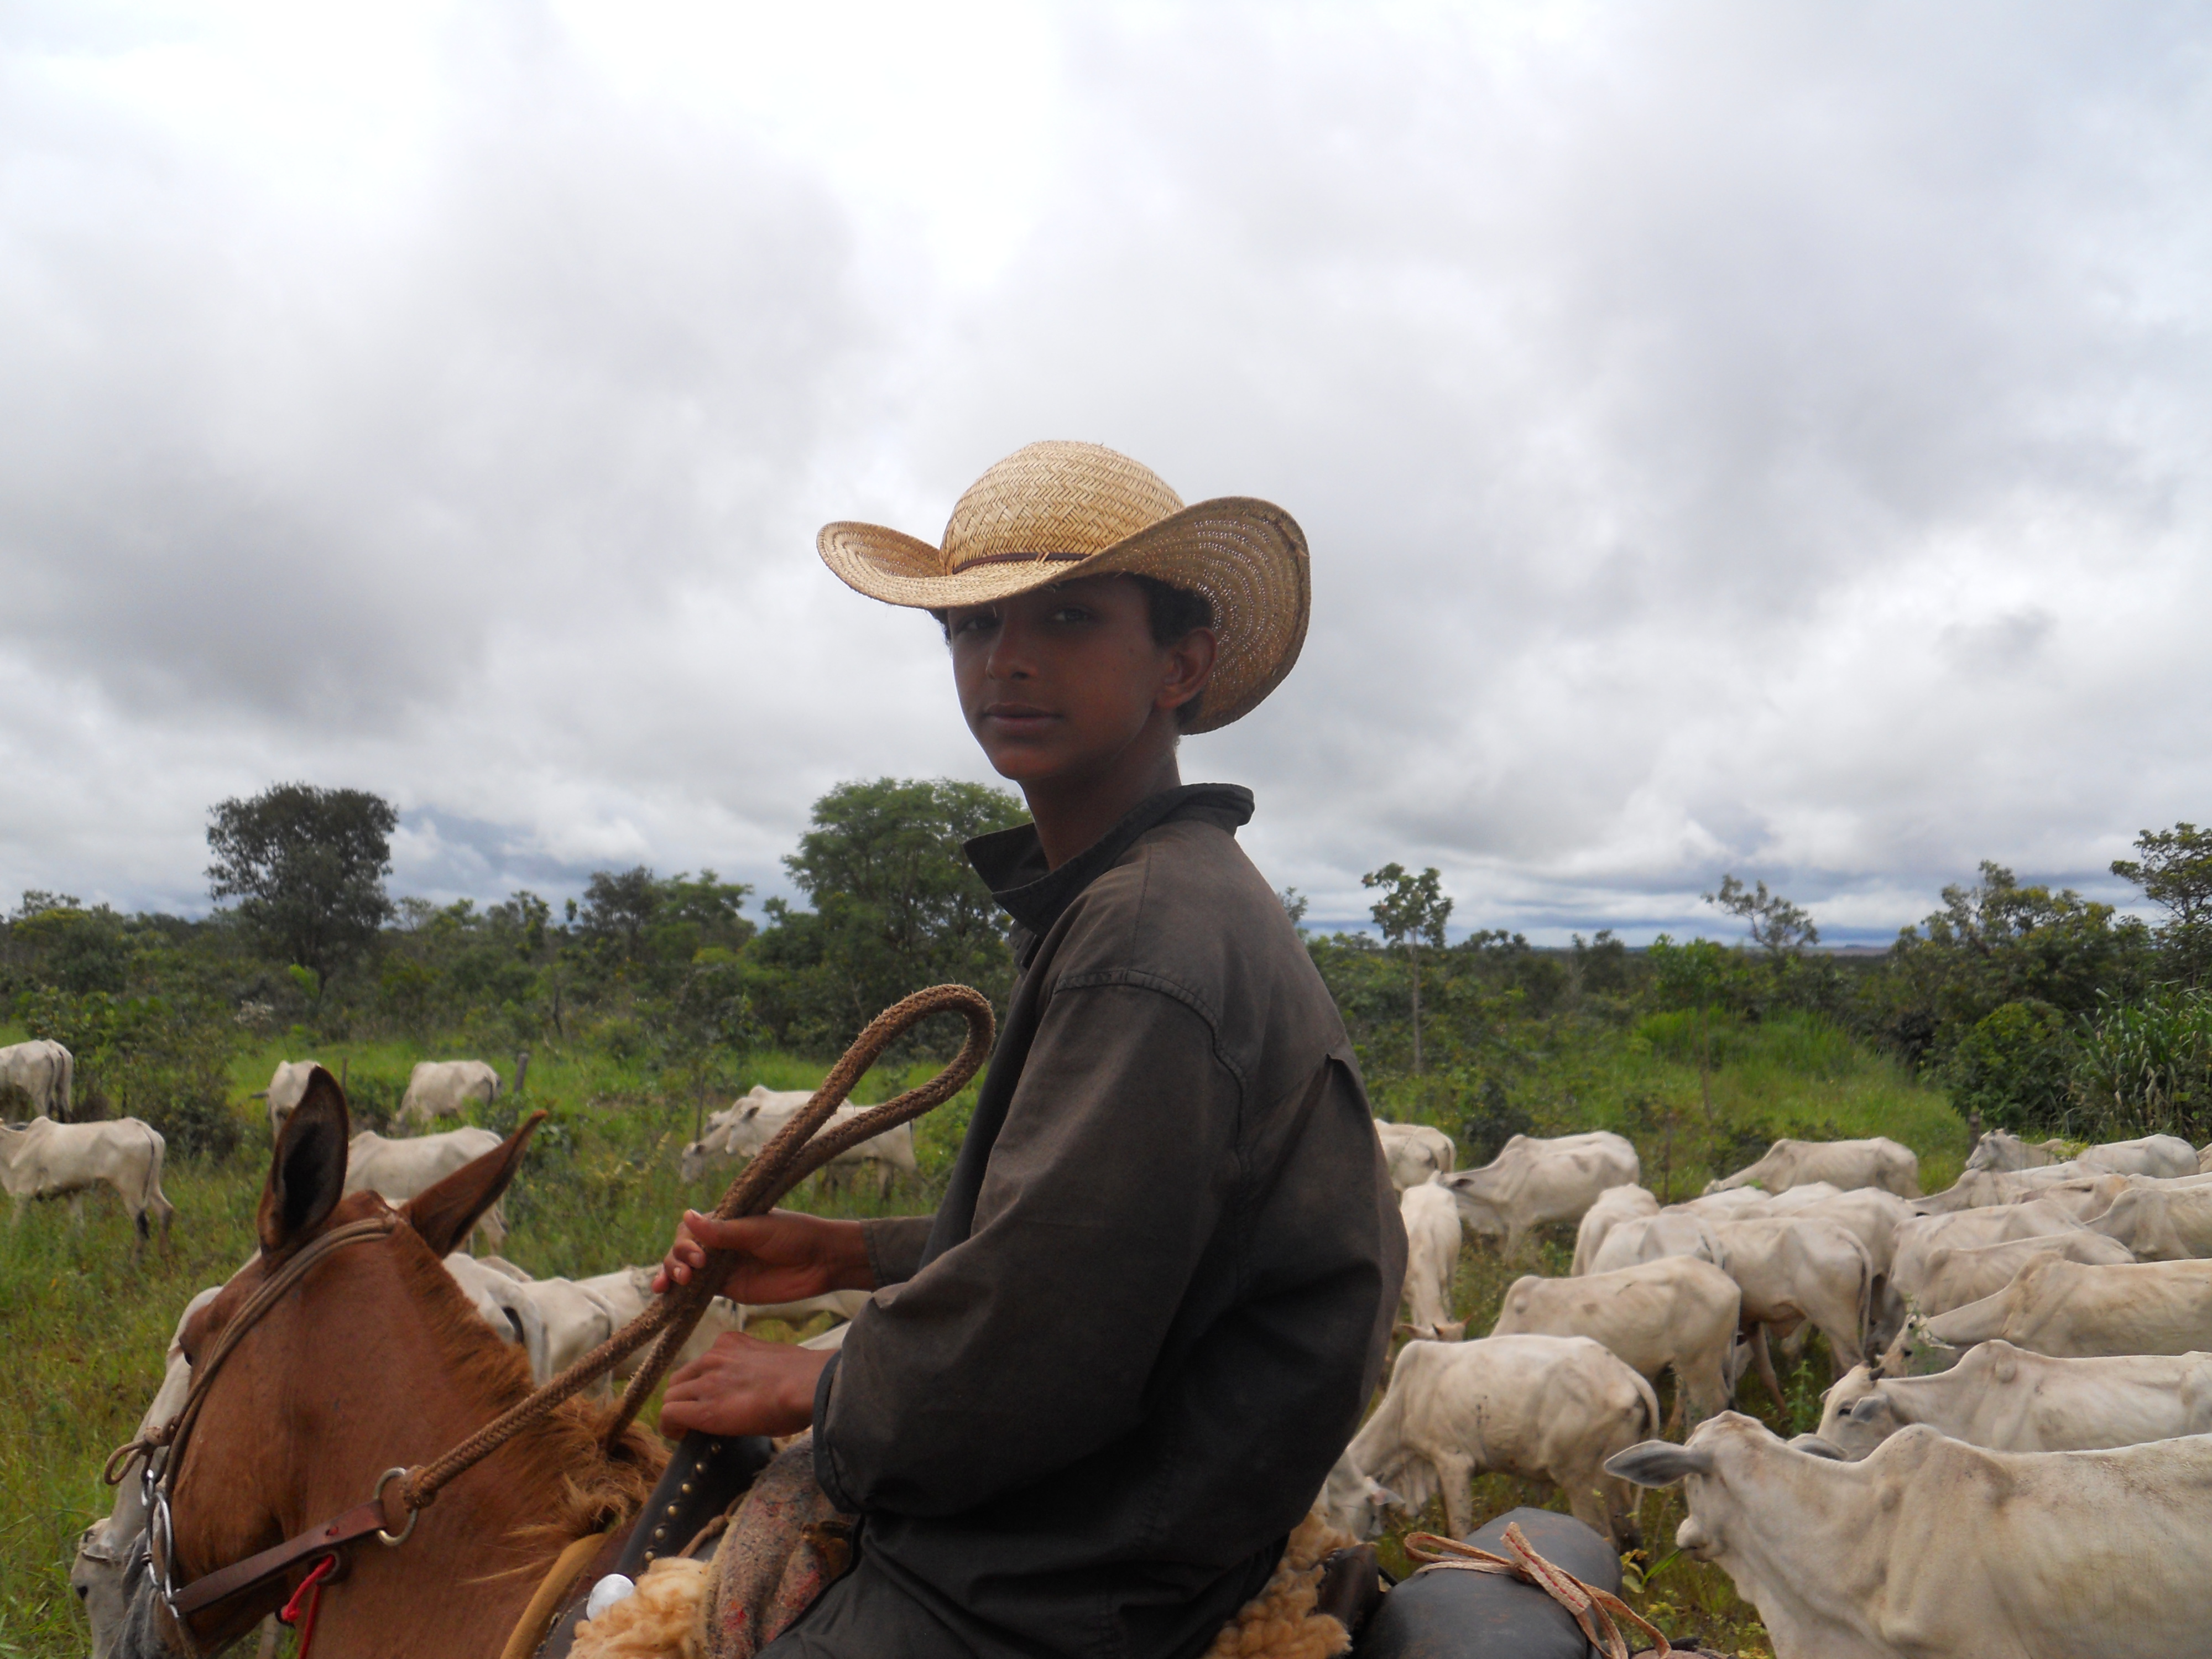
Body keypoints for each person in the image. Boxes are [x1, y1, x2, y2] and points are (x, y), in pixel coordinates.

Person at [654, 440, 1405, 1659]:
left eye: (1066, 617)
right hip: (1136, 1502)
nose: (1005, 658)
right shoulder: (1143, 892)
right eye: (971, 626)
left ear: (1181, 664)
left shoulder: (1144, 934)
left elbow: (1040, 1340)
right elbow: (1107, 1235)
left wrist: (816, 1388)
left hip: (1078, 1561)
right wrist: (847, 1251)